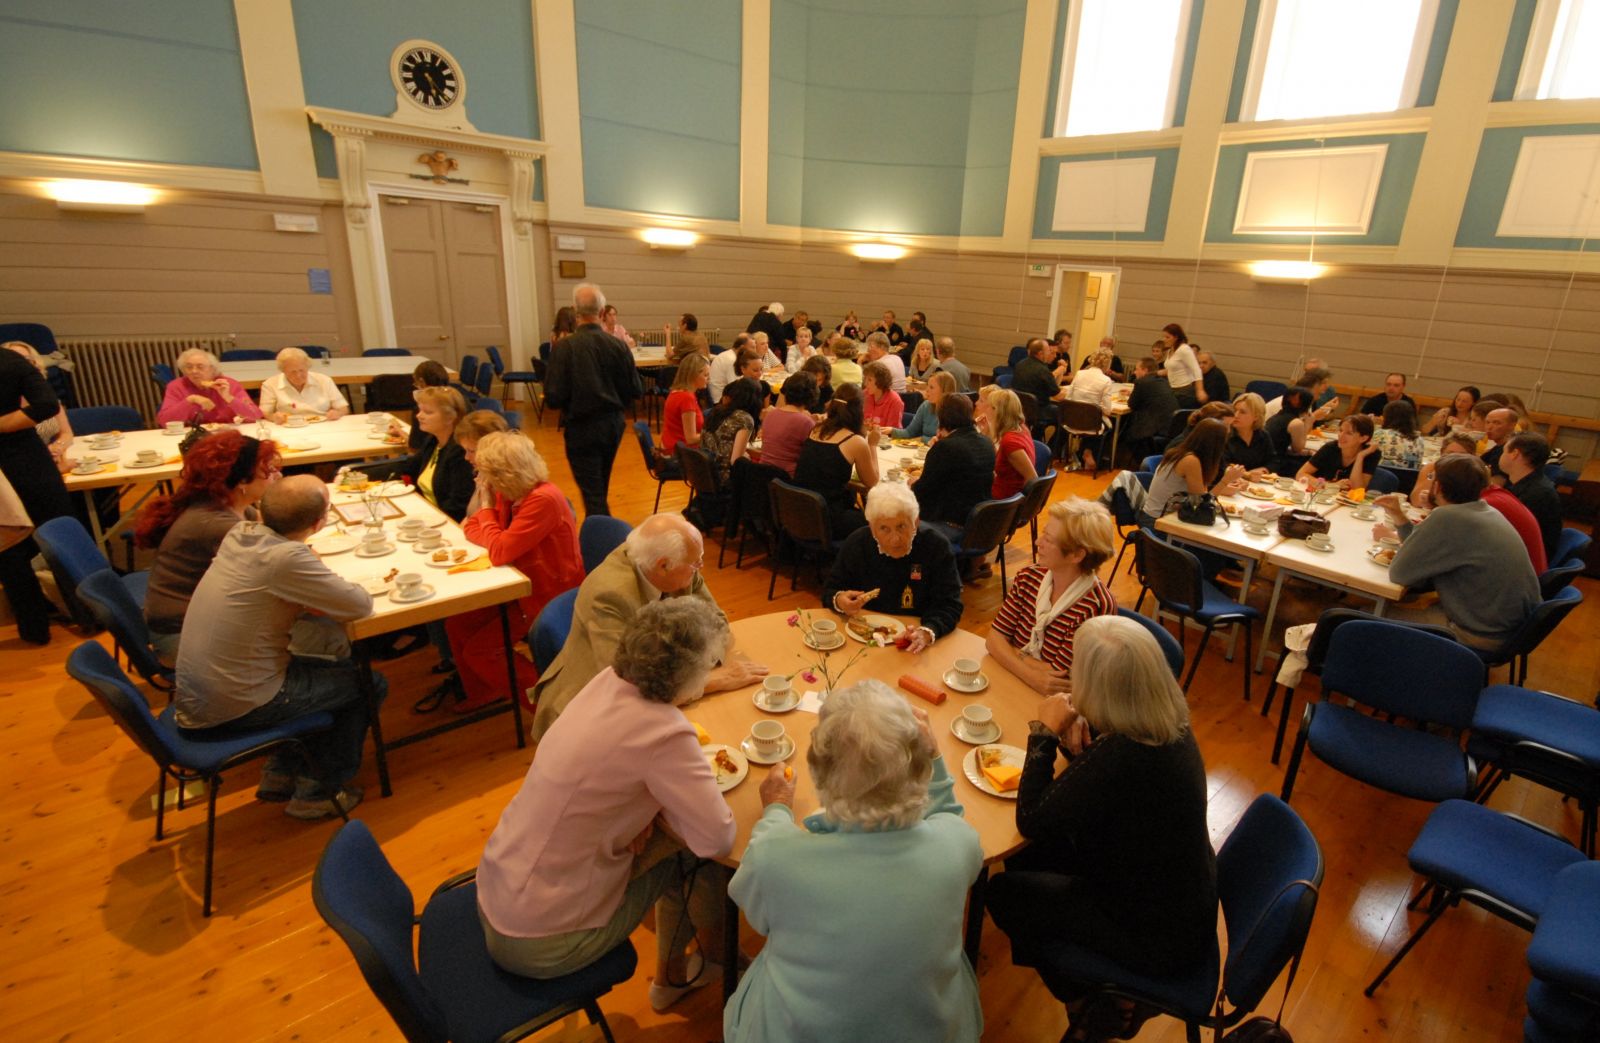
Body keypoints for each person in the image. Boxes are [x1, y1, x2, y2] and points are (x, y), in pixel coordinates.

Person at [479, 599, 736, 1009]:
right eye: (711, 665)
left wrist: (646, 811)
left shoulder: (606, 682)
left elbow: (612, 776)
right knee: (691, 856)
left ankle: (681, 971)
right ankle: (697, 968)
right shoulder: (664, 732)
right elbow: (717, 838)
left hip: (499, 888)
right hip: (541, 942)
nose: (711, 674)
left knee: (671, 840)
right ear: (687, 673)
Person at [987, 615, 1217, 1043]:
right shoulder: (1165, 726)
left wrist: (1044, 732)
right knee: (1031, 854)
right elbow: (1108, 799)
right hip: (1179, 898)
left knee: (1002, 893)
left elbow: (1032, 817)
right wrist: (1082, 751)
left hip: (1153, 933)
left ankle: (1096, 1005)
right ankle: (1102, 998)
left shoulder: (1126, 755)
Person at [724, 681, 982, 1043]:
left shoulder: (778, 857)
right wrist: (935, 760)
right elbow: (951, 819)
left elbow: (758, 913)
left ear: (818, 774)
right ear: (922, 768)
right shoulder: (957, 845)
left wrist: (777, 808)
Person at [174, 476, 380, 819]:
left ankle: (281, 771)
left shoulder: (240, 535)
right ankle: (317, 792)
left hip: (201, 693)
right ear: (319, 522)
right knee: (367, 684)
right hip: (235, 701)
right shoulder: (285, 559)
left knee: (323, 665)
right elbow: (358, 605)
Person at [526, 513, 767, 740]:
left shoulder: (674, 562)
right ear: (663, 566)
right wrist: (710, 681)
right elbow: (629, 687)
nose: (700, 568)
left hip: (654, 685)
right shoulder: (608, 595)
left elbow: (718, 625)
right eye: (695, 564)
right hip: (586, 710)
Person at [447, 432, 584, 714]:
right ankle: (485, 690)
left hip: (544, 594)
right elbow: (473, 528)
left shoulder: (542, 499)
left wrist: (487, 513)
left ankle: (551, 705)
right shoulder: (512, 494)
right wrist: (492, 528)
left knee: (482, 651)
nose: (480, 481)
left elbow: (497, 548)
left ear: (503, 474)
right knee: (457, 621)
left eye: (483, 474)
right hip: (518, 584)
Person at [136, 431, 282, 664]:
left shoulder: (227, 504)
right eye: (268, 470)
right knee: (316, 631)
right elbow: (277, 568)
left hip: (196, 618)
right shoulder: (217, 524)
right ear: (242, 481)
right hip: (185, 635)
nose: (277, 475)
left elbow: (270, 533)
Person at [1370, 455, 1539, 648]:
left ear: (1439, 487)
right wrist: (1399, 517)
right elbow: (1425, 548)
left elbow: (1400, 573)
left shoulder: (1449, 517)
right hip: (1509, 626)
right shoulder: (1485, 511)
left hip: (1479, 634)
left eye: (1432, 477)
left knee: (1366, 613)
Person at [986, 498, 1118, 695]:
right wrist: (1032, 672)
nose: (1038, 542)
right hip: (1013, 683)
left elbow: (1059, 678)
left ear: (1076, 556)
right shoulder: (1029, 577)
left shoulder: (1095, 607)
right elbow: (993, 640)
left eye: (1048, 539)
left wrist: (1011, 652)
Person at [822, 483, 962, 652]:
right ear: (872, 528)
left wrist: (927, 631)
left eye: (901, 526)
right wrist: (839, 600)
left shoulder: (936, 547)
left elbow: (949, 604)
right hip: (862, 641)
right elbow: (830, 589)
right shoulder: (857, 544)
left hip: (914, 642)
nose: (895, 539)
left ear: (915, 522)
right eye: (884, 529)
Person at [544, 283, 642, 516]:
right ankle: (601, 532)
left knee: (593, 494)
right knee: (598, 486)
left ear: (575, 313)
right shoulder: (618, 346)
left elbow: (553, 398)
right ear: (601, 313)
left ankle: (601, 540)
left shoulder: (564, 348)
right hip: (612, 426)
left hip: (581, 428)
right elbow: (636, 390)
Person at [0, 347, 73, 644]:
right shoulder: (10, 360)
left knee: (9, 546)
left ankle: (33, 628)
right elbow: (46, 404)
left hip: (17, 460)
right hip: (28, 456)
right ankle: (87, 611)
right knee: (61, 534)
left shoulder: (8, 360)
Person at [1412, 433, 1546, 572]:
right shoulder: (1493, 494)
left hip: (1509, 580)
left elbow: (1438, 546)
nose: (1454, 461)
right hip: (1515, 576)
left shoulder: (1485, 505)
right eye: (1449, 455)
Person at [368, 386, 474, 520]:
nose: (419, 416)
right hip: (425, 511)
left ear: (450, 417)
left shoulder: (460, 452)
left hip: (443, 522)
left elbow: (457, 506)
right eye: (420, 410)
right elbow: (407, 467)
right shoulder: (433, 441)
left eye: (428, 412)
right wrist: (361, 474)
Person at [795, 383, 877, 538]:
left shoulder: (816, 429)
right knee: (879, 520)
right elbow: (873, 483)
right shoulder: (854, 441)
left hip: (800, 510)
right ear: (859, 410)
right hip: (827, 517)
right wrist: (872, 445)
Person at [1140, 418, 1244, 529]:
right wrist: (1225, 480)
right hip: (1157, 521)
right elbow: (1201, 505)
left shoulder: (1184, 452)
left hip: (1164, 515)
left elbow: (1202, 494)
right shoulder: (1190, 461)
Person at [910, 394, 992, 534]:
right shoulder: (986, 443)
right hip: (980, 525)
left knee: (890, 518)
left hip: (950, 525)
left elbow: (922, 494)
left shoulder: (946, 448)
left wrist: (912, 484)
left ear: (941, 417)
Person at [3, 341, 73, 473]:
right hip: (24, 467)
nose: (22, 365)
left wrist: (58, 447)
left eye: (27, 360)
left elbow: (66, 433)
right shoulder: (6, 405)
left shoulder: (45, 399)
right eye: (16, 360)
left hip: (47, 460)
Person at [1500, 432, 1562, 564]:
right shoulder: (1531, 484)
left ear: (1514, 454)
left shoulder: (1537, 494)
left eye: (1504, 450)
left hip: (1522, 564)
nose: (1501, 455)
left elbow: (1505, 537)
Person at [157, 348, 262, 425]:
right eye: (189, 367)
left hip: (227, 434)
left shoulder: (229, 384)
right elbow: (164, 421)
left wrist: (229, 398)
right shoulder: (177, 386)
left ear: (212, 369)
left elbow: (255, 416)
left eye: (200, 367)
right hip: (193, 436)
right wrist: (190, 400)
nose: (194, 371)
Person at [701, 376, 764, 489]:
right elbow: (736, 461)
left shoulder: (716, 411)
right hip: (723, 479)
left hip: (704, 474)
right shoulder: (744, 419)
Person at [259, 347, 348, 422]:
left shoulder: (324, 380)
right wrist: (274, 417)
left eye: (302, 370)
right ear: (283, 370)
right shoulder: (270, 384)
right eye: (292, 372)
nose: (298, 375)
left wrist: (337, 413)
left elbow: (343, 408)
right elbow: (265, 412)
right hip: (289, 426)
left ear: (307, 367)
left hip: (323, 424)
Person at [1297, 413, 1380, 491]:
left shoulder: (1371, 454)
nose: (1341, 436)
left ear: (1363, 438)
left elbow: (1357, 489)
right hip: (1321, 495)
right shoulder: (1331, 448)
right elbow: (1300, 474)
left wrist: (1360, 457)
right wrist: (1330, 486)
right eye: (1340, 430)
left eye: (1349, 433)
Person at [1121, 355, 1178, 463]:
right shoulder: (1163, 381)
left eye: (1137, 369)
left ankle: (1137, 462)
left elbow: (1132, 404)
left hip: (1154, 427)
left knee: (1126, 434)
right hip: (1171, 426)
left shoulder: (1141, 382)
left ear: (1145, 370)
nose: (1134, 372)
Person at [758, 373, 816, 477]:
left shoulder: (771, 414)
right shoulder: (806, 422)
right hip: (788, 481)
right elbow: (812, 457)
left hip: (763, 475)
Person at [990, 388, 1038, 500]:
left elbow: (1032, 477)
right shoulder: (1022, 428)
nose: (989, 411)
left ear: (999, 412)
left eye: (992, 408)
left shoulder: (1010, 442)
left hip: (1003, 501)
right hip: (1008, 496)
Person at [660, 353, 708, 457]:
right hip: (678, 453)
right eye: (705, 375)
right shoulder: (687, 398)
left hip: (670, 446)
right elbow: (690, 439)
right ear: (694, 375)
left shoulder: (676, 391)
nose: (708, 379)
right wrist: (714, 435)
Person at [1264, 386, 1314, 474]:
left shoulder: (1276, 416)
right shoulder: (1296, 423)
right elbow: (1298, 449)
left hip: (1266, 457)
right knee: (1310, 464)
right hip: (1275, 462)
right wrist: (1308, 424)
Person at [894, 371, 955, 442]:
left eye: (931, 387)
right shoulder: (926, 406)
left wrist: (923, 439)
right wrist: (891, 431)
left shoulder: (954, 413)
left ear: (944, 391)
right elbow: (909, 432)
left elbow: (948, 441)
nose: (927, 390)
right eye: (927, 386)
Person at [1225, 392, 1276, 476]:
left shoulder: (1263, 435)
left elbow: (1274, 461)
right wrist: (1247, 475)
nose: (1236, 415)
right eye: (1234, 410)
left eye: (1242, 412)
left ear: (1256, 416)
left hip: (1257, 484)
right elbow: (1223, 466)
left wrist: (1264, 469)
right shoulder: (1225, 434)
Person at [407, 359, 453, 449]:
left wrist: (399, 431)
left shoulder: (424, 405)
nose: (419, 416)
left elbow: (416, 445)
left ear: (422, 382)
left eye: (428, 412)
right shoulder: (460, 398)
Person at [1159, 323, 1204, 406]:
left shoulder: (1184, 349)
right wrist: (1155, 373)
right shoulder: (1170, 350)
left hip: (1184, 390)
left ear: (1176, 337)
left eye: (1167, 337)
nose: (1164, 339)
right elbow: (1172, 370)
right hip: (1173, 388)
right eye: (1163, 337)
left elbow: (1196, 369)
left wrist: (1200, 390)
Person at [1372, 400, 1424, 467]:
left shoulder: (1380, 434)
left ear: (1387, 417)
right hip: (1409, 476)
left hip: (1382, 475)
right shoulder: (1420, 440)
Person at [1011, 337, 1062, 407]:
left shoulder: (1020, 364)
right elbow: (1058, 396)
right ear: (1040, 354)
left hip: (1019, 406)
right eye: (1048, 351)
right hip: (1037, 409)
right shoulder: (1042, 370)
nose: (1049, 353)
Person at [708, 333, 754, 403]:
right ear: (742, 348)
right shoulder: (731, 360)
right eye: (752, 347)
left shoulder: (729, 354)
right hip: (720, 401)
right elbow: (736, 387)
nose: (754, 351)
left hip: (723, 396)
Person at [861, 361, 904, 428]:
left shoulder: (895, 401)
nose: (865, 383)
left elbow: (892, 430)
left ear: (880, 381)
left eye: (869, 380)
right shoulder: (865, 394)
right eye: (865, 379)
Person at [1480, 407, 1518, 476]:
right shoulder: (1498, 447)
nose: (1489, 427)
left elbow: (1497, 483)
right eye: (1487, 422)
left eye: (1497, 423)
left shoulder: (1509, 450)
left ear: (1512, 426)